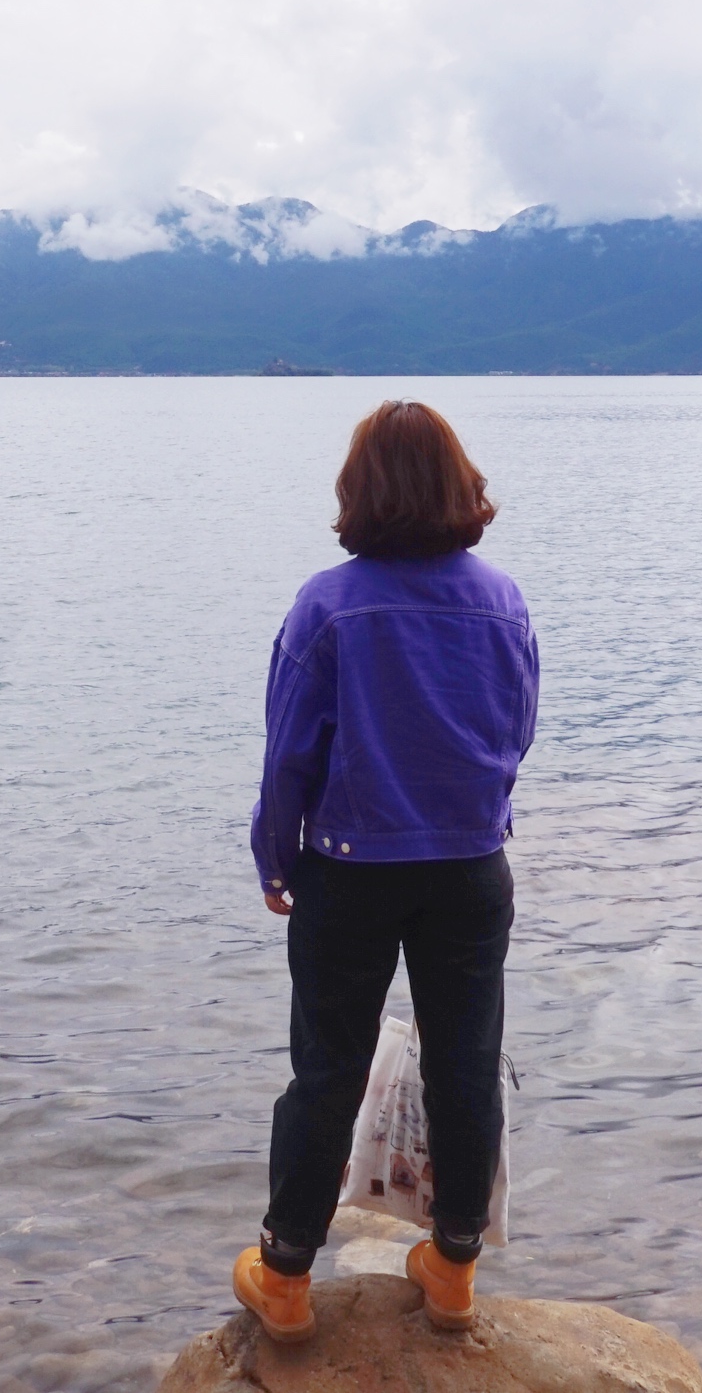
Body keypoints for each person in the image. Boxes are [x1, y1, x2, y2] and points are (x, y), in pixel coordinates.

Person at [230, 400, 540, 1344]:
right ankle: (452, 1267)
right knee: (464, 1062)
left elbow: (291, 754)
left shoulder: (329, 605)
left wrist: (274, 854)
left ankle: (284, 1274)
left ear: (357, 491)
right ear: (461, 485)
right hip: (470, 867)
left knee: (326, 1068)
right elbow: (514, 731)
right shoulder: (504, 599)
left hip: (351, 870)